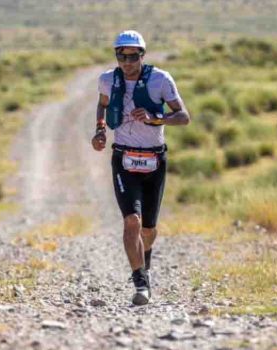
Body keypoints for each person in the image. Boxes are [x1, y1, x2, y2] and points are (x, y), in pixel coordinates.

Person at [91, 30, 190, 305]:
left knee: (148, 230)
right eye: (121, 55)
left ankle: (144, 261)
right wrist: (100, 132)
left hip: (154, 160)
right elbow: (102, 105)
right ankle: (140, 282)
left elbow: (183, 117)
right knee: (131, 222)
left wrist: (155, 118)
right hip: (123, 158)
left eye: (132, 56)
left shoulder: (160, 79)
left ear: (142, 55)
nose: (127, 61)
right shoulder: (107, 79)